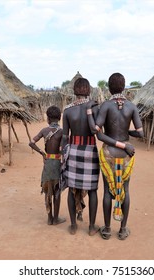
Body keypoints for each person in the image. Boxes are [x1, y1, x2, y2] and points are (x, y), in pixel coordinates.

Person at [87, 72, 144, 240]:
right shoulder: (132, 106)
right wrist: (126, 135)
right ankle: (123, 229)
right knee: (125, 190)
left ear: (109, 88)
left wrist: (90, 112)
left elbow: (98, 134)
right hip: (127, 154)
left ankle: (106, 229)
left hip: (108, 154)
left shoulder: (105, 106)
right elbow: (141, 133)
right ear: (124, 87)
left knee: (107, 192)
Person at [61, 77, 100, 236]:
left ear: (74, 91)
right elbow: (98, 130)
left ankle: (73, 226)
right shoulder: (95, 108)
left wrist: (63, 156)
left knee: (72, 189)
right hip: (90, 150)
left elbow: (65, 137)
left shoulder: (68, 111)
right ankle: (91, 227)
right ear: (89, 90)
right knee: (93, 190)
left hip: (74, 151)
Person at [29, 105, 66, 226]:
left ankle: (49, 219)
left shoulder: (44, 131)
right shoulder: (62, 132)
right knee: (57, 191)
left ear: (48, 119)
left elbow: (32, 142)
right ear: (59, 118)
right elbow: (63, 149)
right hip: (57, 163)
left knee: (47, 191)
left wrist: (42, 153)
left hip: (47, 163)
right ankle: (56, 219)